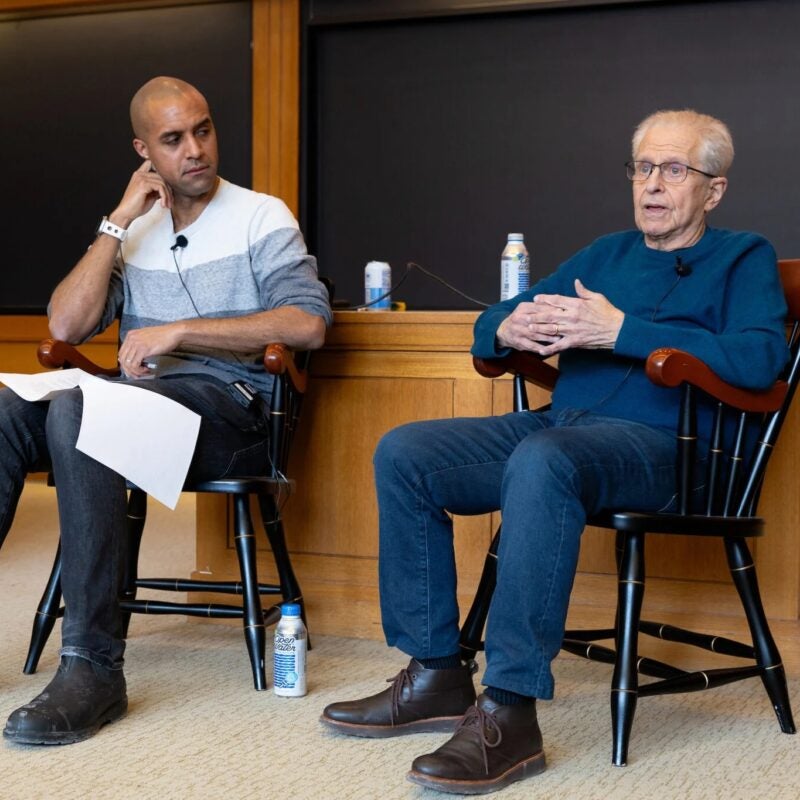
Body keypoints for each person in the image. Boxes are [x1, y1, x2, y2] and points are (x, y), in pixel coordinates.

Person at [320, 109, 789, 794]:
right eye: (643, 168)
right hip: (564, 424)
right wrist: (503, 324)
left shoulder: (743, 256)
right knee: (407, 452)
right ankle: (436, 674)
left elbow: (761, 358)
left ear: (712, 190)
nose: (653, 184)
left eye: (674, 169)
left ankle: (509, 712)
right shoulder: (606, 253)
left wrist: (623, 330)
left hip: (672, 453)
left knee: (545, 461)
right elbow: (496, 320)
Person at [1, 77, 331, 745]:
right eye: (174, 140)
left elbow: (308, 323)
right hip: (141, 407)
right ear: (144, 150)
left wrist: (182, 332)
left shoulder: (261, 216)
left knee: (82, 411)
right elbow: (66, 322)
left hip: (233, 418)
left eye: (203, 131)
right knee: (8, 408)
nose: (196, 151)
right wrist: (118, 221)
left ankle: (93, 666)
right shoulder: (138, 229)